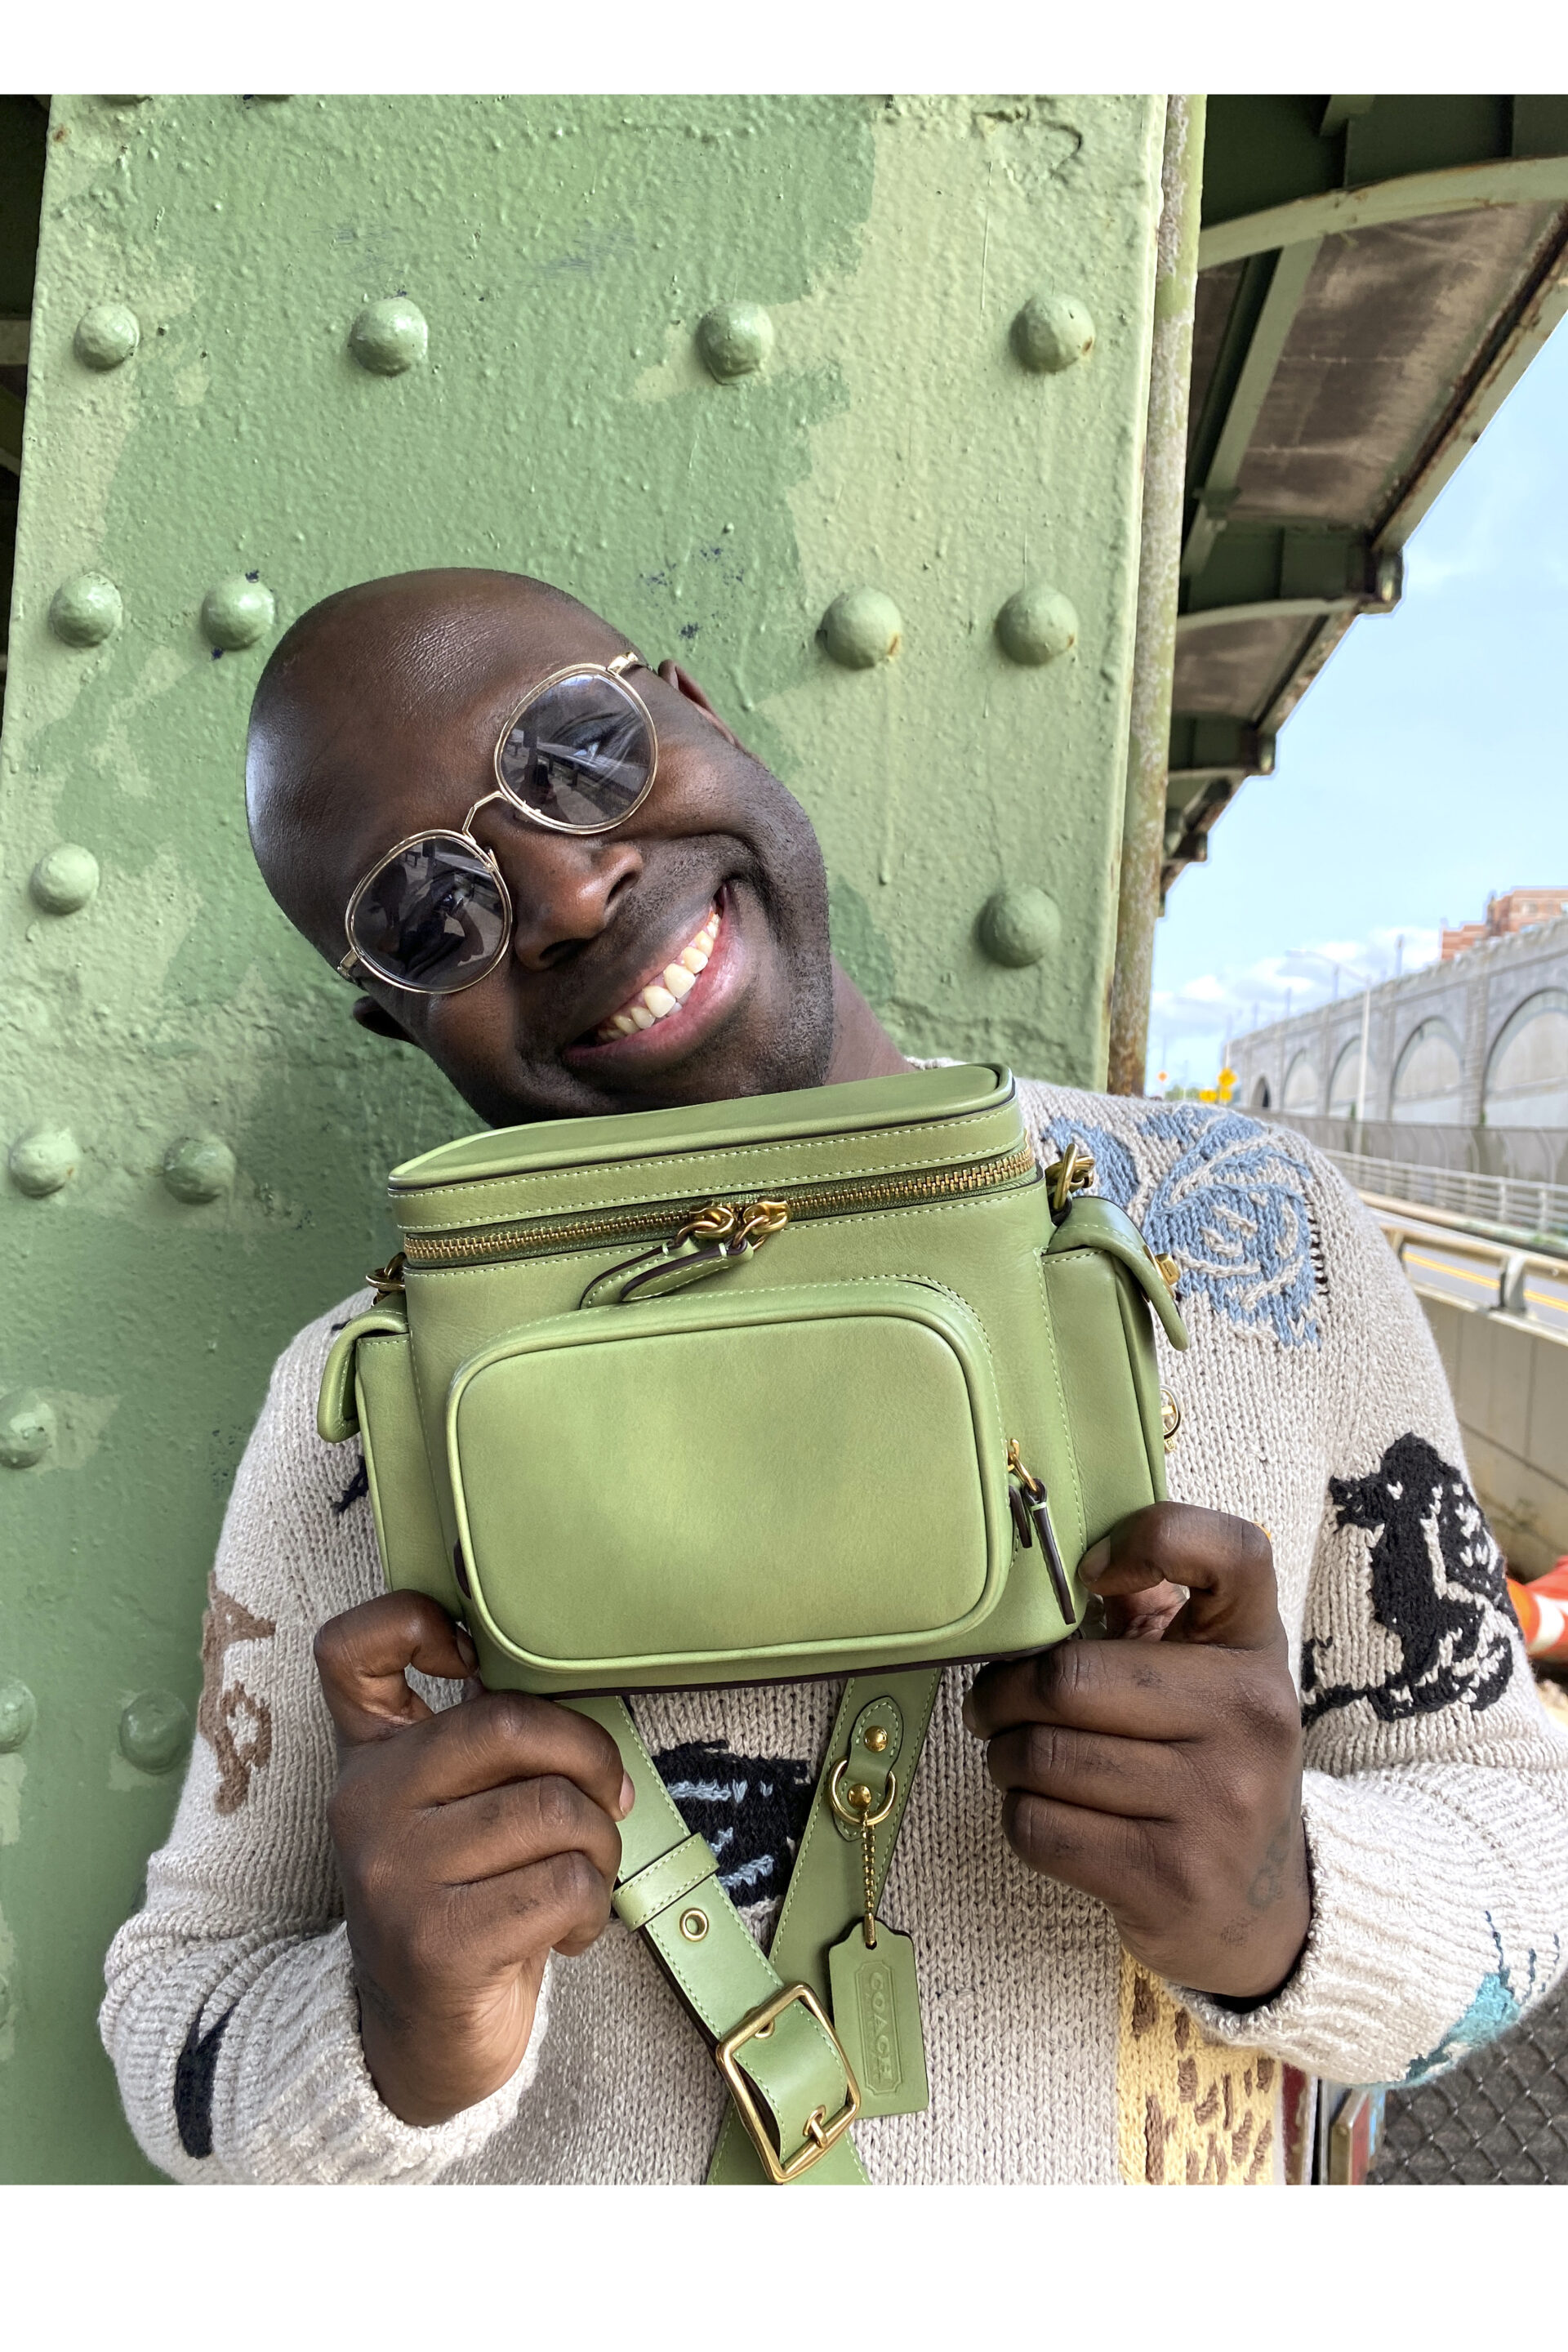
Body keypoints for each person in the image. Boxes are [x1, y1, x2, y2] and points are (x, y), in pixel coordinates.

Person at [101, 568, 1568, 2185]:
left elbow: (1524, 1849)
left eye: (577, 752)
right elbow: (178, 2007)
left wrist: (1286, 1901)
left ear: (695, 710)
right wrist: (392, 2036)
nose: (571, 891)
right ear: (401, 1024)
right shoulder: (354, 1410)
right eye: (432, 914)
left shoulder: (1257, 1236)